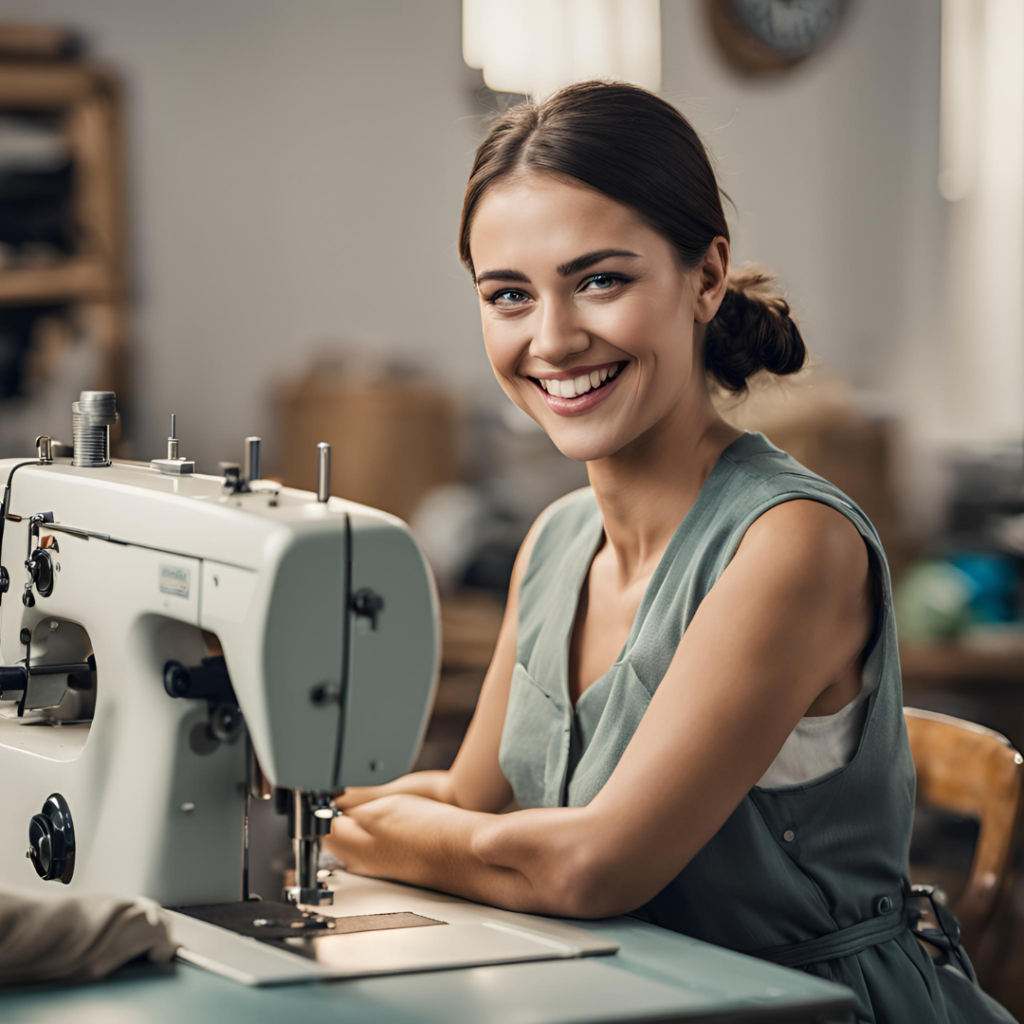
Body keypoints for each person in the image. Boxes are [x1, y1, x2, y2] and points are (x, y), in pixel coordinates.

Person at [324, 80, 1016, 1023]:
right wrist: (310, 807)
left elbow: (591, 867)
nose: (554, 339)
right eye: (509, 296)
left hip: (809, 1009)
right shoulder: (558, 542)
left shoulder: (790, 544)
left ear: (706, 276)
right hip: (616, 995)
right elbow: (470, 797)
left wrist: (347, 828)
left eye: (600, 280)